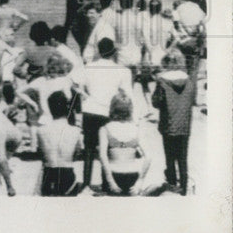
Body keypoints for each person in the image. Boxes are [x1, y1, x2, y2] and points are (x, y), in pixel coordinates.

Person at [80, 38, 133, 191]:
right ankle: (106, 184)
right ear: (114, 52)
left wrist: (86, 95)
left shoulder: (88, 67)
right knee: (107, 149)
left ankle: (86, 184)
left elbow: (76, 84)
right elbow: (128, 95)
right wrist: (132, 119)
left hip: (90, 109)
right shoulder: (123, 70)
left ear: (99, 51)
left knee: (89, 149)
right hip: (108, 111)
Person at [153, 49, 194, 195]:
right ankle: (184, 189)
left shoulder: (162, 81)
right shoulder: (189, 80)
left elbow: (156, 102)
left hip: (168, 125)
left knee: (169, 158)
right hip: (184, 125)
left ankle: (172, 186)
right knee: (183, 159)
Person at [98, 93, 149, 195]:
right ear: (130, 109)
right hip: (132, 176)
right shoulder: (136, 129)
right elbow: (149, 157)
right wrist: (140, 181)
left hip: (113, 175)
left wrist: (111, 182)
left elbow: (102, 156)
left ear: (112, 108)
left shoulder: (105, 129)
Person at [35, 91, 83, 196]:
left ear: (50, 108)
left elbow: (41, 154)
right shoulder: (76, 131)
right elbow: (76, 154)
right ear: (67, 108)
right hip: (67, 172)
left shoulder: (40, 130)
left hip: (48, 173)